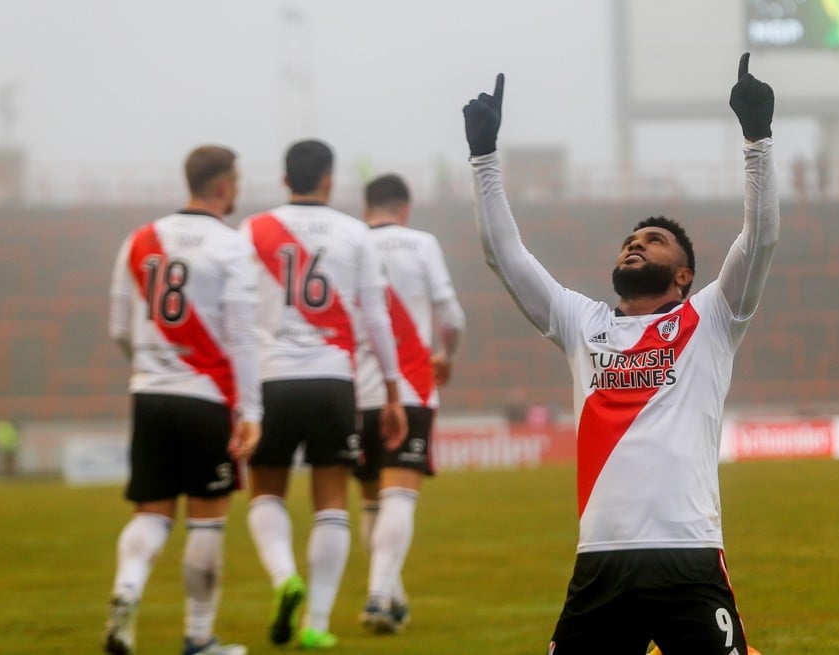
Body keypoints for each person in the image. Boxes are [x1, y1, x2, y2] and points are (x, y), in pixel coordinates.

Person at [462, 52, 776, 655]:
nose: (635, 245)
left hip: (687, 556)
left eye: (652, 241)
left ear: (684, 274)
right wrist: (484, 159)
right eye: (631, 240)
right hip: (602, 563)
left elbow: (759, 239)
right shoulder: (581, 323)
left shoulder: (710, 317)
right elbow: (504, 255)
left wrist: (757, 141)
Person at [241, 139, 408, 650]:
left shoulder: (253, 231)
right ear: (330, 180)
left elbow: (239, 314)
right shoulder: (355, 234)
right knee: (331, 501)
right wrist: (395, 389)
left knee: (266, 491)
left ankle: (283, 577)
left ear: (284, 179)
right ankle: (316, 622)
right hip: (334, 380)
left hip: (272, 378)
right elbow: (377, 317)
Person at [103, 145, 261, 655]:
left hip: (150, 395)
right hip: (206, 398)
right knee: (207, 518)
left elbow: (118, 328)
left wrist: (152, 364)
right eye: (235, 181)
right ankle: (199, 638)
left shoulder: (139, 240)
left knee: (150, 513)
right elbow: (241, 337)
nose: (237, 189)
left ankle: (127, 588)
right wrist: (251, 411)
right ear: (222, 185)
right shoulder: (232, 247)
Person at [352, 173, 465, 634]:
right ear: (405, 207)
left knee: (370, 501)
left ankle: (391, 596)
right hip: (412, 384)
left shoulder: (350, 243)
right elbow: (452, 316)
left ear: (367, 208)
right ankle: (380, 596)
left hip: (356, 388)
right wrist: (447, 356)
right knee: (400, 494)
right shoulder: (421, 244)